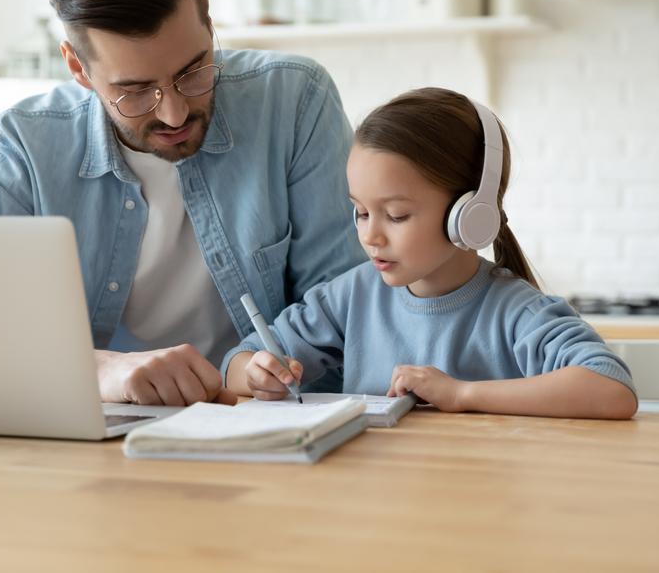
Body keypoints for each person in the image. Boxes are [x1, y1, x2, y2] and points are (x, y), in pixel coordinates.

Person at [0, 0, 364, 406]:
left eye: (193, 71)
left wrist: (242, 370)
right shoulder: (21, 146)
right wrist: (101, 370)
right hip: (100, 431)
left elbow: (345, 299)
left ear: (207, 17)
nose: (175, 111)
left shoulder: (293, 99)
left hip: (266, 418)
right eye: (136, 90)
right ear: (78, 66)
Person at [221, 88, 638, 419]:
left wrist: (462, 393)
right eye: (362, 212)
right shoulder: (348, 298)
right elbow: (237, 362)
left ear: (470, 215)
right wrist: (258, 374)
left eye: (397, 215)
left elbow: (611, 389)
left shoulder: (515, 311)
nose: (371, 236)